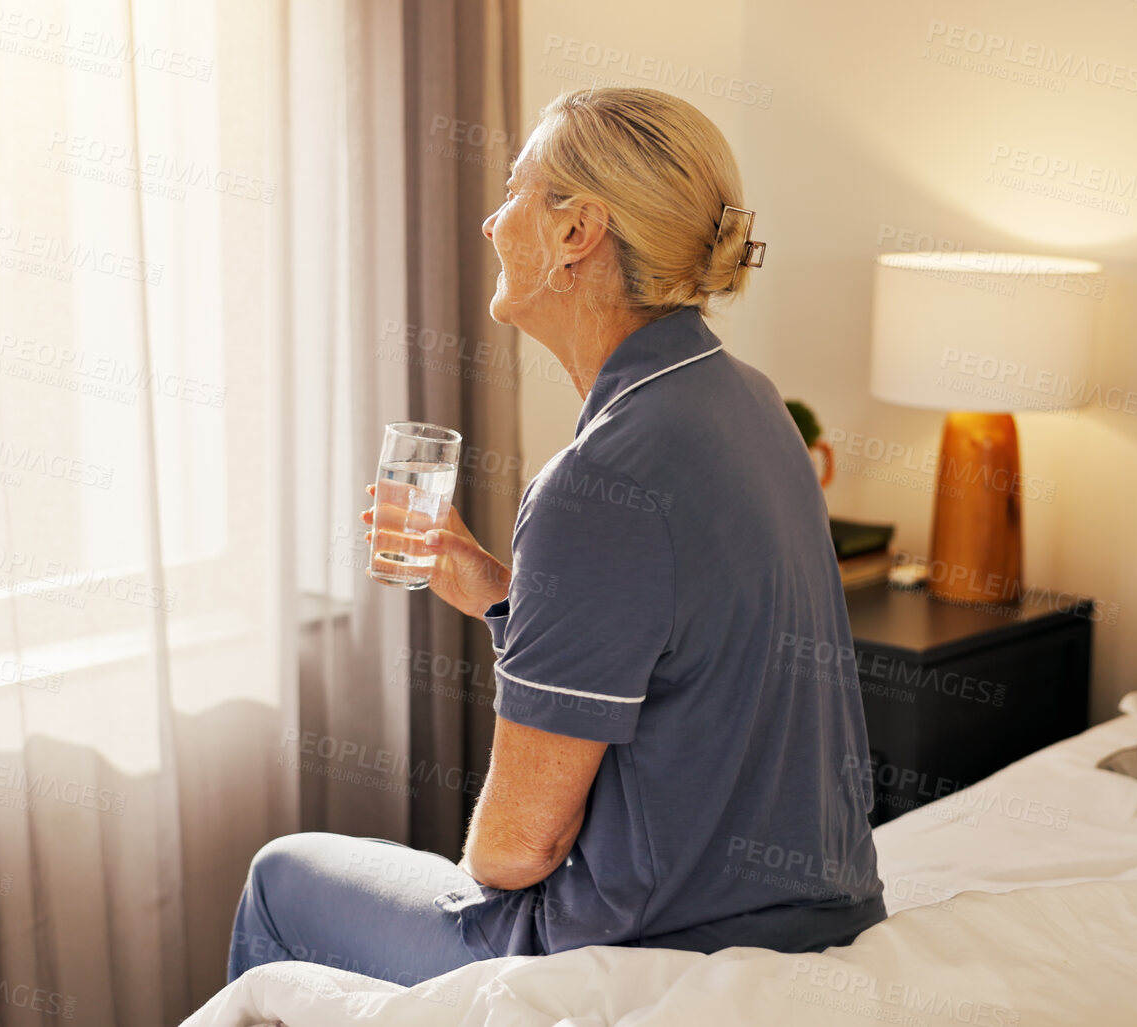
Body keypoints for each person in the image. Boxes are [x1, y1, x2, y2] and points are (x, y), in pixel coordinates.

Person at [227, 86, 885, 988]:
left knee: (280, 877)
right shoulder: (753, 402)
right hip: (822, 917)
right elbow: (676, 652)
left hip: (648, 953)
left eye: (514, 191)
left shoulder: (596, 483)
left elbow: (513, 851)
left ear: (577, 233)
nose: (493, 222)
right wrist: (504, 594)